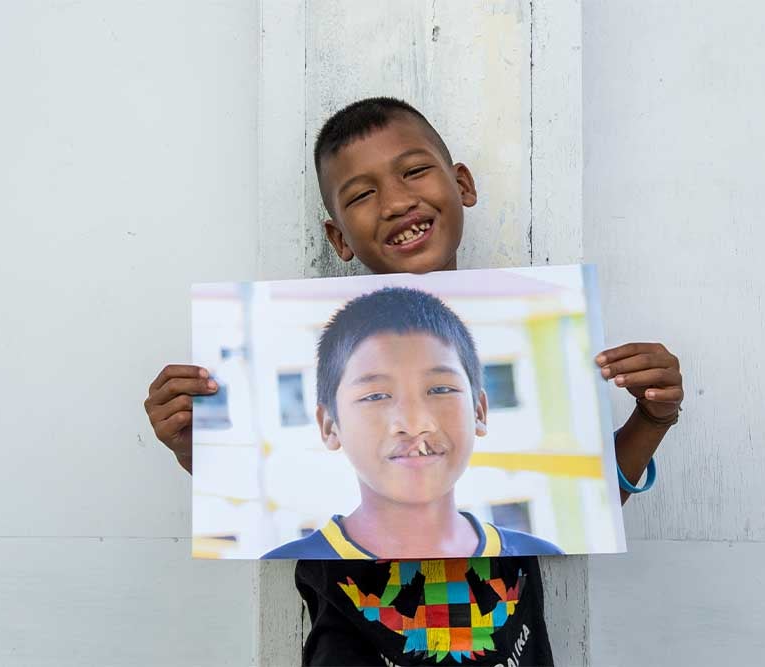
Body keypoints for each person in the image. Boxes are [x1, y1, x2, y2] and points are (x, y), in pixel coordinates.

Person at [144, 97, 684, 666]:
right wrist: (192, 445)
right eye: (361, 193)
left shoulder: (519, 526)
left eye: (414, 171)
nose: (398, 201)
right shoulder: (306, 531)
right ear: (339, 237)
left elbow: (590, 504)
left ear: (463, 185)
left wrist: (652, 418)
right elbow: (257, 507)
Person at [262, 286, 563, 560]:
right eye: (376, 395)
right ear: (329, 426)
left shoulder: (541, 559)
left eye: (441, 389)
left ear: (479, 412)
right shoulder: (286, 570)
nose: (414, 423)